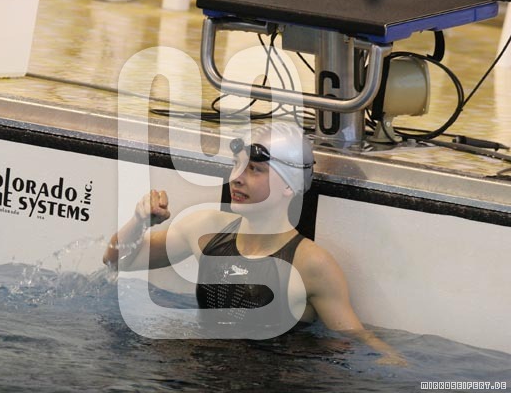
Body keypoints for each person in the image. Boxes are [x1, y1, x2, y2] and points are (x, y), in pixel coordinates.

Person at [103, 122, 406, 366]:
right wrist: (138, 222)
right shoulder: (203, 228)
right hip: (198, 370)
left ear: (289, 185)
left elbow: (354, 340)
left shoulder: (311, 264)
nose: (237, 178)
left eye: (255, 169)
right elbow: (117, 260)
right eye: (237, 165)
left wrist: (394, 362)